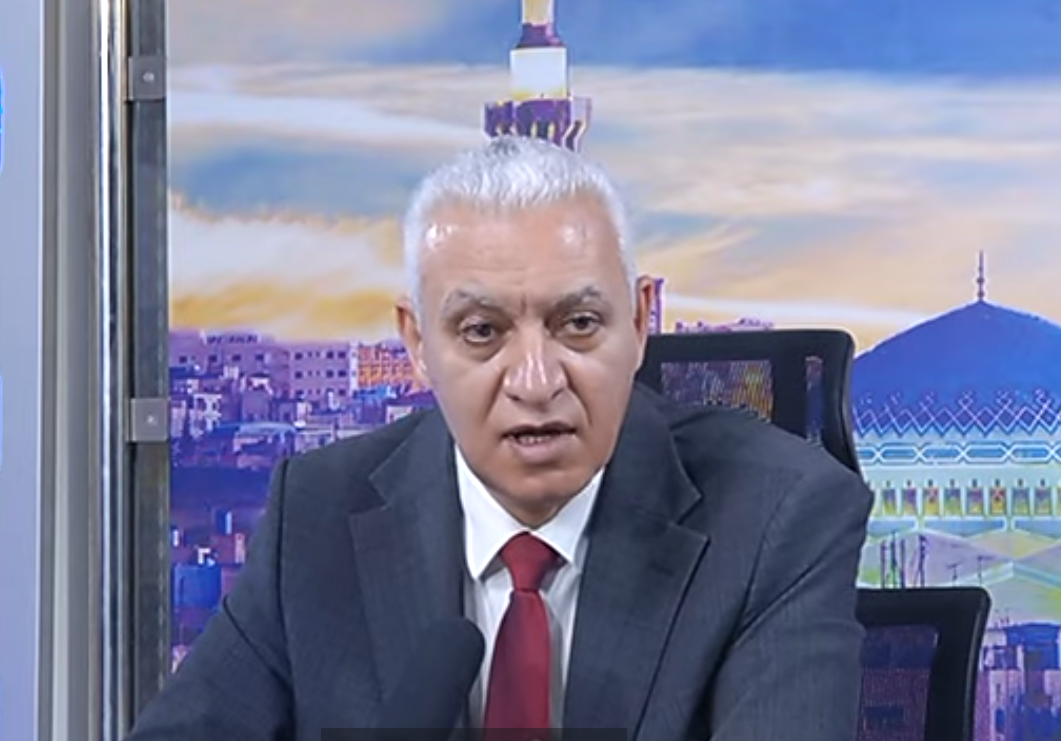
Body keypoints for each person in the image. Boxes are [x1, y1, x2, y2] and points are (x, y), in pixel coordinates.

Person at [126, 135, 873, 740]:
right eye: (482, 332)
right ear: (417, 342)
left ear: (642, 318)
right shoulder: (318, 515)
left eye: (579, 324)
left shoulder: (777, 517)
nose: (536, 381)